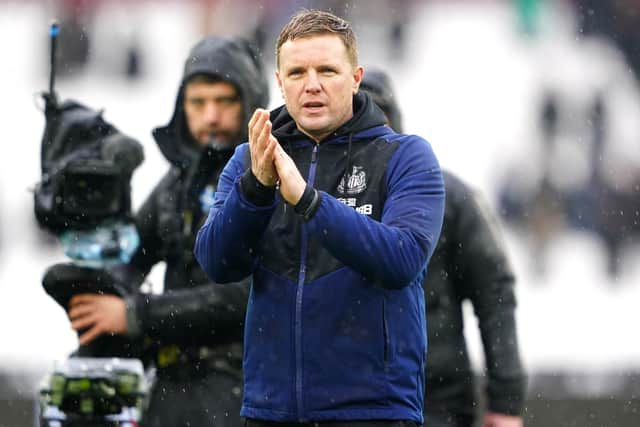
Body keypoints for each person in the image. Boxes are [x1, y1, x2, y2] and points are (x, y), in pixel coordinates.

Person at [195, 9, 445, 426]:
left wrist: (309, 202)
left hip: (372, 411)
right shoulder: (251, 158)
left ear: (356, 77)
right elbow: (217, 262)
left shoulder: (406, 156)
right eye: (296, 73)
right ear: (279, 82)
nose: (311, 85)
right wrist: (256, 189)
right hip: (270, 411)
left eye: (327, 70)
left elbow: (402, 259)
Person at [65, 35, 269, 427]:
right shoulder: (176, 184)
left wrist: (137, 313)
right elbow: (126, 259)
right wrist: (83, 218)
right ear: (182, 106)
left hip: (242, 391)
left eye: (224, 101)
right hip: (170, 388)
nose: (210, 116)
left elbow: (248, 296)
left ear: (251, 102)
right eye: (197, 102)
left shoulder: (269, 179)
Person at [360, 67, 527, 427]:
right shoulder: (316, 198)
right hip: (343, 397)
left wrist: (506, 398)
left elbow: (494, 292)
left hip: (434, 397)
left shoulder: (448, 196)